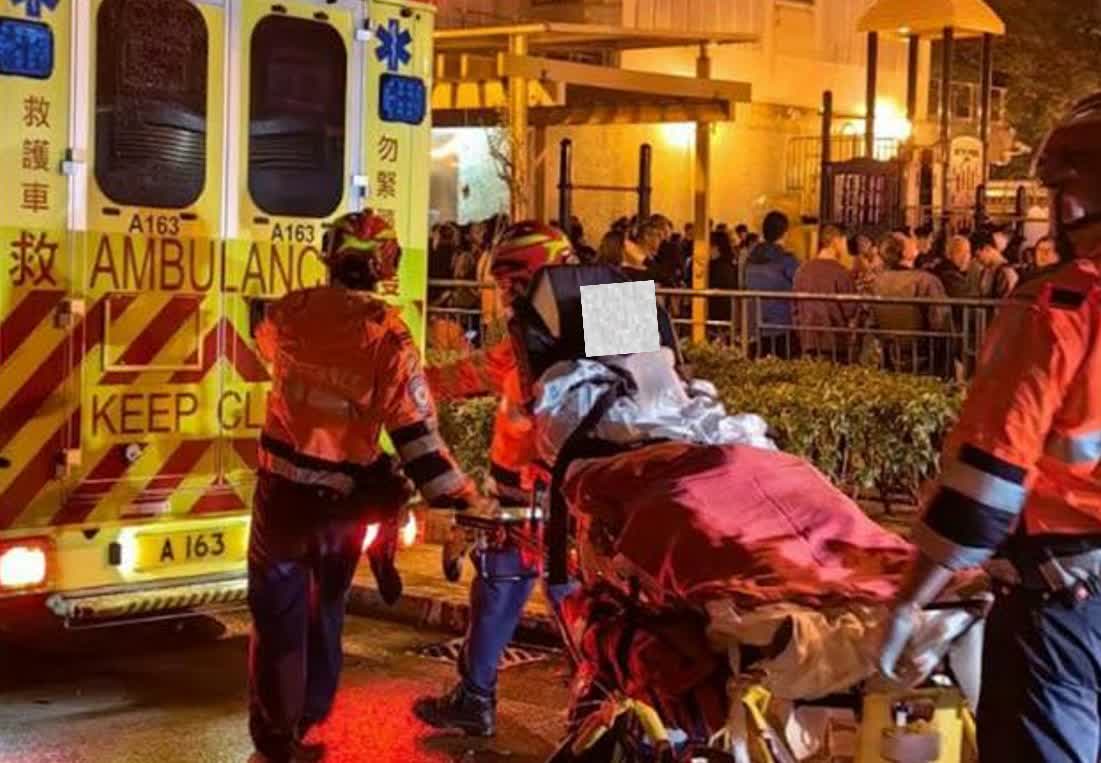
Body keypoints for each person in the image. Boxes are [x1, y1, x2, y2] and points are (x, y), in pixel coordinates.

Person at [878, 92, 1101, 763]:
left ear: (1071, 201)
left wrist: (911, 598)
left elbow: (990, 472)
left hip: (1062, 607)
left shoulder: (1061, 302)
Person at [248, 213, 483, 763]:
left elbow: (266, 338)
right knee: (324, 608)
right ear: (382, 265)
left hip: (281, 496)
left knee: (278, 613)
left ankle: (278, 733)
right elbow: (417, 436)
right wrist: (463, 498)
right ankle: (312, 711)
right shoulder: (388, 334)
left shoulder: (290, 311)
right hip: (341, 503)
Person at [414, 222, 574, 738]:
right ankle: (476, 696)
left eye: (510, 282)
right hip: (545, 493)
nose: (503, 295)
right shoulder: (581, 317)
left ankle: (601, 704)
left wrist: (404, 386)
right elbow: (484, 370)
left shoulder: (555, 328)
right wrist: (416, 383)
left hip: (539, 495)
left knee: (556, 596)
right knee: (518, 590)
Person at [870, 231, 951, 374]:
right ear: (904, 252)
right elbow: (941, 322)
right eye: (909, 240)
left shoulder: (878, 281)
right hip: (924, 357)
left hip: (891, 354)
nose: (914, 241)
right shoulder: (925, 281)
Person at [793, 224, 858, 361]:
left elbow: (795, 306)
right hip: (834, 341)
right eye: (844, 242)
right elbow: (851, 309)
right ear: (836, 241)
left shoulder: (802, 270)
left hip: (807, 339)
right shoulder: (841, 273)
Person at [744, 211, 800, 358]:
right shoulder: (786, 260)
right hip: (782, 325)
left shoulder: (750, 259)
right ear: (785, 233)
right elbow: (800, 284)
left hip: (755, 325)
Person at [973, 229, 1020, 299]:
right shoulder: (986, 270)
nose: (977, 260)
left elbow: (1004, 302)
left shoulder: (1006, 273)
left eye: (978, 256)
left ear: (987, 248)